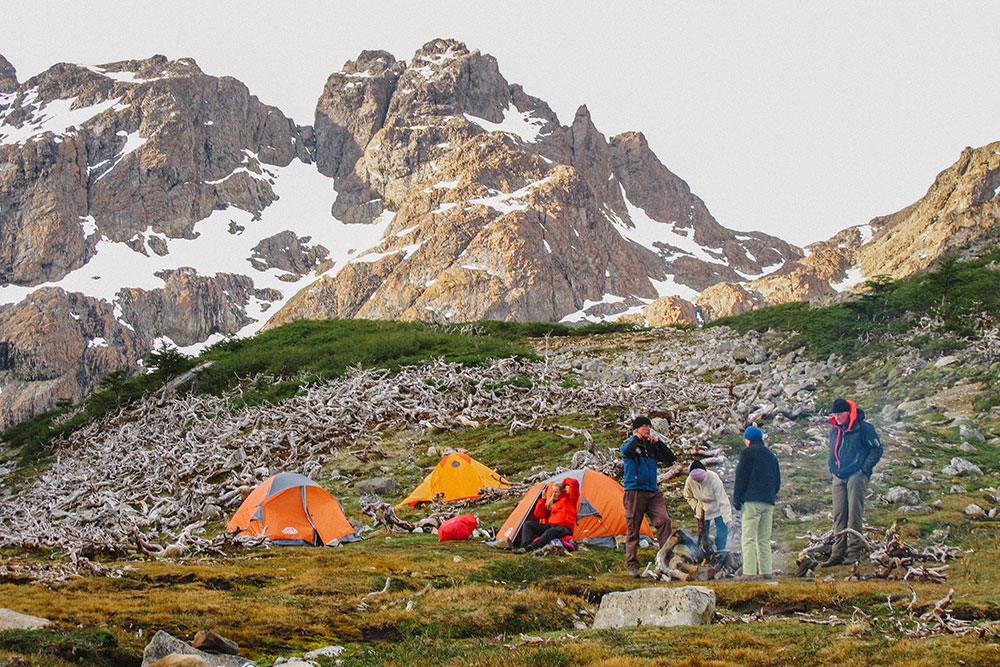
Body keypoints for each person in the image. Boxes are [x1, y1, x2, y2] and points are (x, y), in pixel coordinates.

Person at [823, 397, 883, 566]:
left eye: (840, 413)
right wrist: (832, 466)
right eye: (835, 413)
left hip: (856, 474)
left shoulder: (863, 428)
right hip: (839, 474)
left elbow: (877, 449)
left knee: (854, 512)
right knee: (839, 514)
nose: (837, 416)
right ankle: (837, 553)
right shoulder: (835, 430)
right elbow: (832, 450)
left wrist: (864, 470)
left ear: (848, 412)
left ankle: (854, 551)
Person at [621, 415, 677, 578]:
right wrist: (636, 438)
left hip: (653, 490)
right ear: (637, 428)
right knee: (633, 528)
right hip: (635, 490)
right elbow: (627, 451)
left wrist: (658, 443)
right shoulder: (629, 445)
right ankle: (632, 565)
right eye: (644, 426)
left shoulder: (651, 447)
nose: (648, 428)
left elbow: (670, 458)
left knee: (664, 521)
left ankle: (667, 558)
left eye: (649, 425)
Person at [733, 425, 781, 578]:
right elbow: (777, 480)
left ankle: (749, 572)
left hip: (752, 500)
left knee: (748, 538)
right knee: (764, 539)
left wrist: (737, 499)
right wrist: (771, 495)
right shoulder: (771, 455)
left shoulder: (747, 453)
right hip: (768, 502)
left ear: (748, 440)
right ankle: (766, 572)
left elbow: (741, 477)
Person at [683, 460, 734, 551]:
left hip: (717, 508)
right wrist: (696, 507)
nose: (699, 481)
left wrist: (727, 518)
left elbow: (722, 499)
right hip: (702, 509)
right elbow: (688, 496)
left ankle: (720, 550)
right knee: (703, 534)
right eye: (696, 480)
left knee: (722, 532)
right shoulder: (690, 481)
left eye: (701, 479)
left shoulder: (713, 478)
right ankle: (702, 552)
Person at [517, 477, 580, 551]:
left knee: (551, 531)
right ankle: (524, 547)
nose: (554, 494)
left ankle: (533, 547)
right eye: (553, 492)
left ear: (562, 492)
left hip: (565, 528)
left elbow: (574, 483)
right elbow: (539, 514)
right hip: (552, 526)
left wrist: (563, 483)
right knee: (528, 524)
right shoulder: (552, 502)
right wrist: (543, 499)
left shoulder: (570, 499)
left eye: (556, 492)